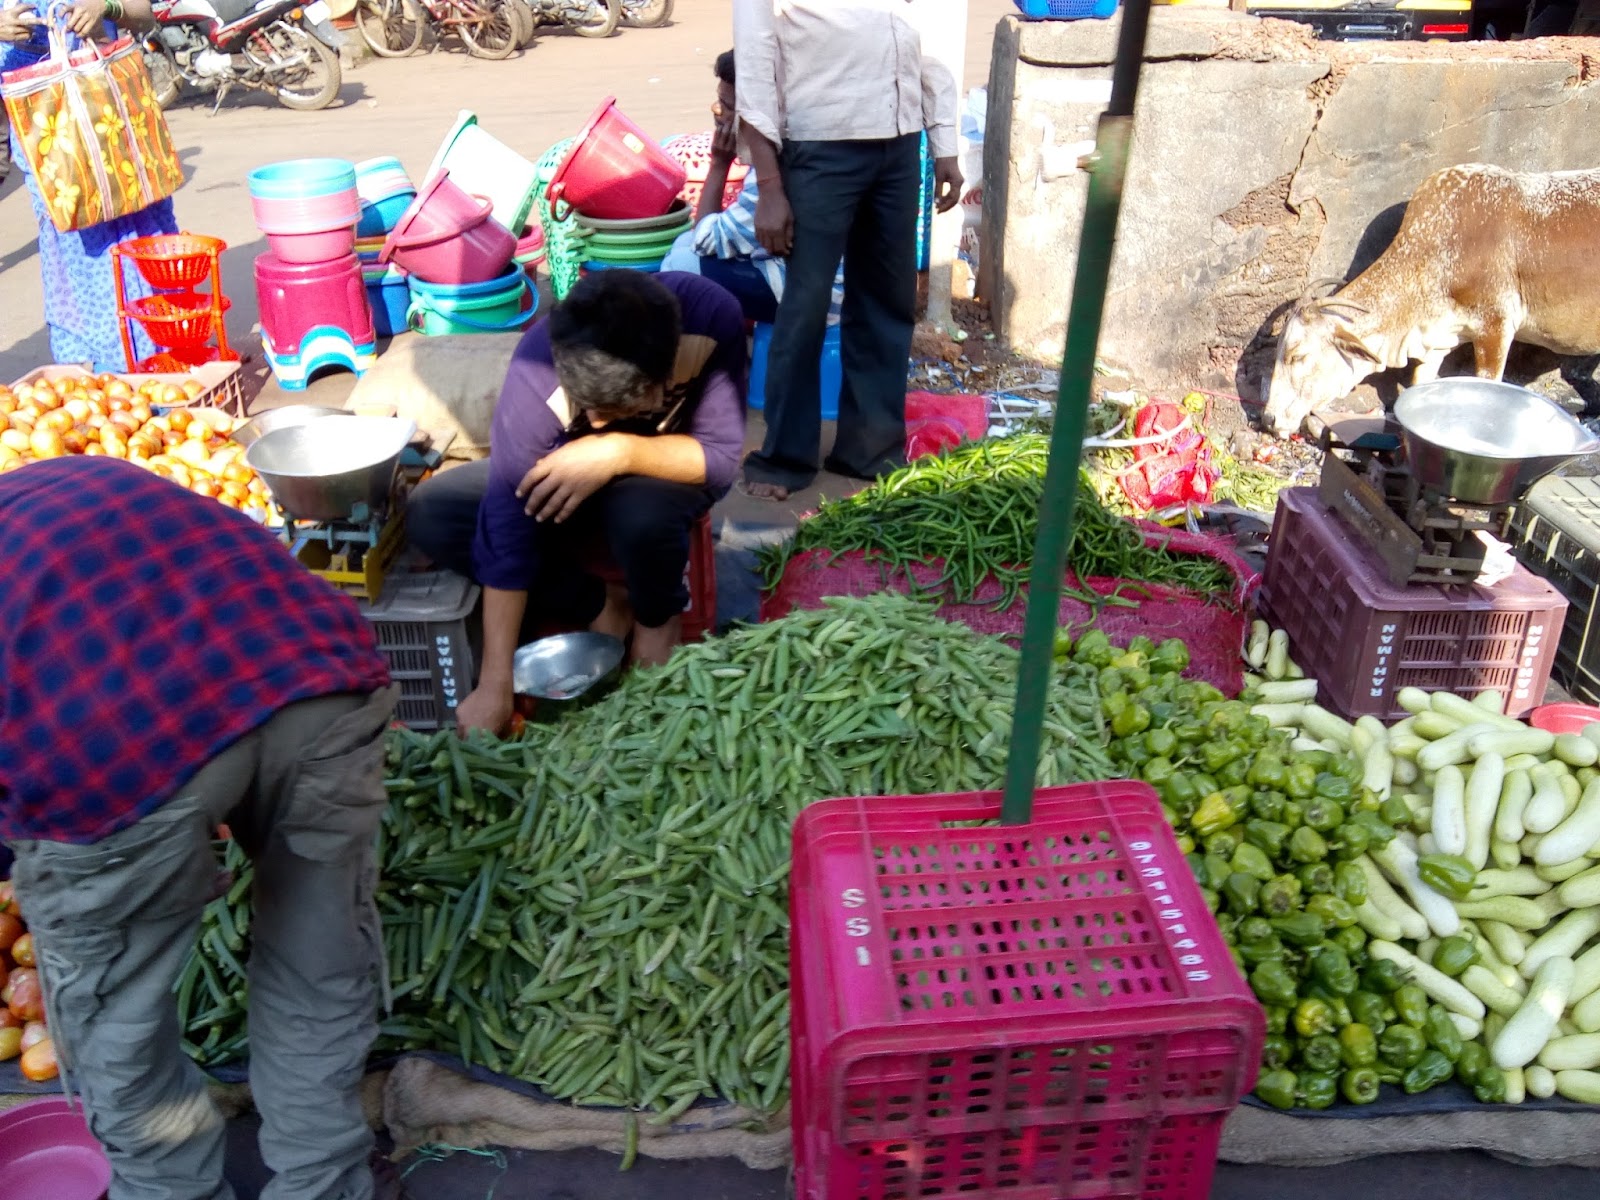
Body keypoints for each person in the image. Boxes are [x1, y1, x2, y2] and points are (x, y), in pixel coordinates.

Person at [0, 456, 403, 1200]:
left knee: (117, 1017)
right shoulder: (60, 477)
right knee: (315, 957)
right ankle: (326, 1186)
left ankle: (171, 1191)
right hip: (315, 668)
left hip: (109, 750)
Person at [406, 269, 748, 735]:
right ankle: (601, 604)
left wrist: (616, 451)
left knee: (641, 515)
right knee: (434, 511)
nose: (590, 421)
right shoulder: (538, 367)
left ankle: (656, 619)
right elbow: (506, 526)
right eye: (583, 407)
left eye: (606, 412)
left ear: (658, 385)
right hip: (565, 483)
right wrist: (495, 682)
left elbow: (721, 459)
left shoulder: (712, 318)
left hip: (661, 475)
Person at [733, 0, 963, 501]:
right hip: (819, 145)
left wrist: (944, 143)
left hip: (899, 146)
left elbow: (931, 46)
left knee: (887, 302)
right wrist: (769, 184)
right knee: (806, 306)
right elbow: (754, 58)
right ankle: (784, 457)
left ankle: (869, 450)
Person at [1, 0, 179, 369]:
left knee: (142, 225)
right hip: (43, 127)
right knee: (74, 239)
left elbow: (144, 14)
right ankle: (101, 369)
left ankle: (162, 352)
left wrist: (107, 7)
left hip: (112, 109)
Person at [659, 49, 842, 327]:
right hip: (826, 282)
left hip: (824, 299)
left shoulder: (773, 172)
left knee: (680, 268)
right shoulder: (798, 141)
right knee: (682, 247)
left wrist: (719, 164)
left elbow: (704, 240)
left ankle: (714, 361)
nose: (716, 110)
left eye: (727, 105)